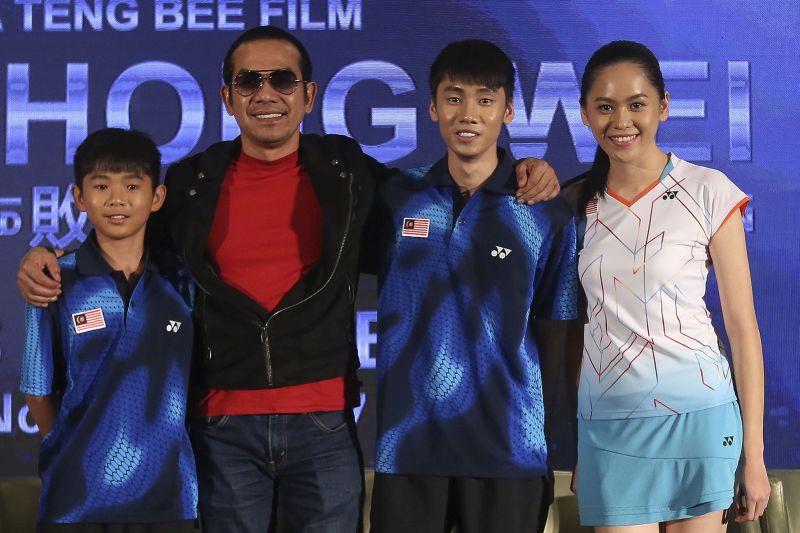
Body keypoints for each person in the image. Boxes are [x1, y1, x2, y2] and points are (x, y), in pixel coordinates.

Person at [16, 27, 560, 533]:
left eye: (282, 79)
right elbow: (122, 240)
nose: (266, 93)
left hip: (323, 424)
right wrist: (47, 255)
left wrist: (526, 168)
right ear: (227, 97)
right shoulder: (189, 185)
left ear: (309, 95)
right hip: (223, 429)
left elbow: (456, 197)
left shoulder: (350, 175)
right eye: (248, 81)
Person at [367, 40, 578, 533]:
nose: (468, 114)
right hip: (409, 447)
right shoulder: (395, 197)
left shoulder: (545, 212)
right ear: (432, 107)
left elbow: (559, 334)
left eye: (485, 99)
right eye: (454, 97)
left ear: (508, 111)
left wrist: (555, 434)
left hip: (510, 449)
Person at [562, 40, 770, 531]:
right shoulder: (573, 204)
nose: (621, 121)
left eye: (636, 104)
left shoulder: (708, 190)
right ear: (585, 114)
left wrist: (755, 454)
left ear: (663, 105)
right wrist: (580, 443)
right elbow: (572, 330)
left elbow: (742, 327)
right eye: (605, 107)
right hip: (608, 426)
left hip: (701, 417)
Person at [20, 128, 197, 533]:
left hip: (170, 499)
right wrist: (72, 447)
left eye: (132, 186)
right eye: (101, 186)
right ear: (79, 197)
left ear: (157, 197)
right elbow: (36, 389)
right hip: (74, 501)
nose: (117, 199)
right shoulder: (54, 278)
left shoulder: (185, 283)